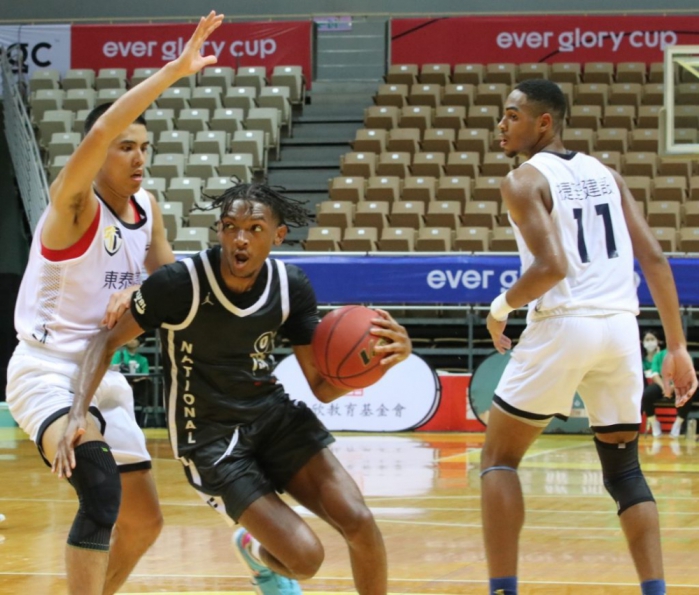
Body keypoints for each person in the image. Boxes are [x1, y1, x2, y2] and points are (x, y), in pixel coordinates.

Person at [53, 183, 412, 595]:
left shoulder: (290, 286)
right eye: (230, 227)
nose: (240, 239)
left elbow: (323, 388)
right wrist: (78, 412)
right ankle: (254, 550)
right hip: (210, 439)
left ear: (278, 235)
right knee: (306, 560)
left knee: (360, 522)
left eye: (255, 229)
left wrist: (385, 359)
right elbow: (105, 341)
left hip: (273, 418)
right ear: (220, 231)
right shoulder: (180, 284)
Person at [5, 12, 224, 595]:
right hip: (47, 373)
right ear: (97, 154)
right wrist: (175, 71)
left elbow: (173, 283)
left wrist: (140, 292)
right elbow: (102, 128)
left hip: (105, 375)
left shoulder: (147, 209)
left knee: (145, 522)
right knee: (100, 490)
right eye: (126, 146)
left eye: (144, 147)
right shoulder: (72, 207)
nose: (138, 157)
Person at [481, 79, 698, 595]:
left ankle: (502, 590)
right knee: (624, 472)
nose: (501, 125)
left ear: (544, 122)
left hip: (564, 322)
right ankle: (655, 591)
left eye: (512, 115)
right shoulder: (607, 175)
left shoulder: (522, 180)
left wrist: (499, 308)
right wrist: (678, 346)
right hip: (620, 328)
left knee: (498, 460)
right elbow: (655, 259)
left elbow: (551, 267)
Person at [641, 337, 696, 438]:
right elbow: (654, 374)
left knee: (688, 394)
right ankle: (654, 423)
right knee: (646, 395)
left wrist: (672, 387)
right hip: (661, 384)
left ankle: (677, 424)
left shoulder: (685, 356)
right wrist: (664, 387)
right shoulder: (659, 355)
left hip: (678, 384)